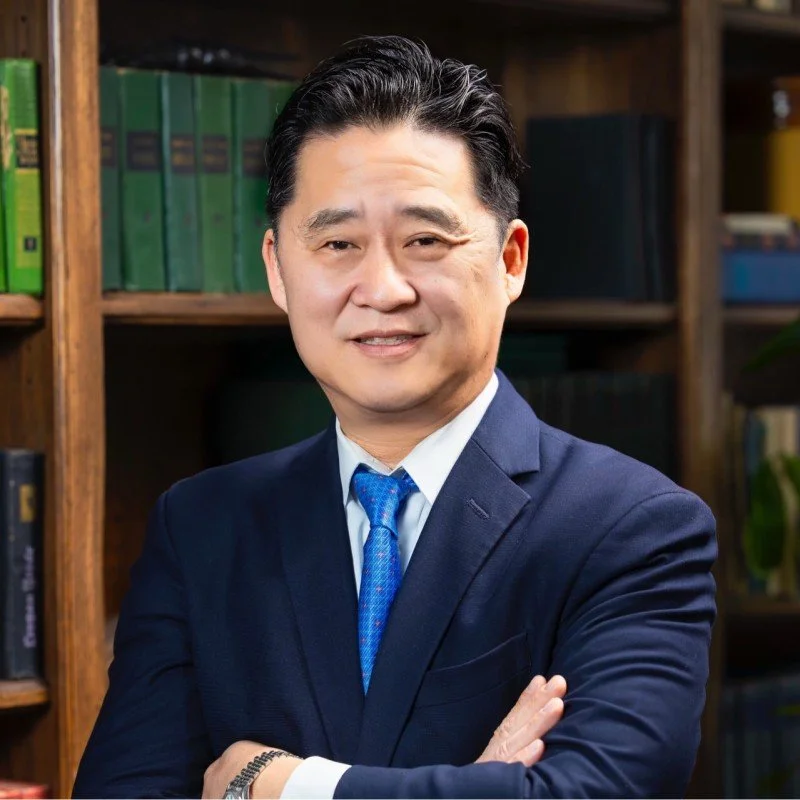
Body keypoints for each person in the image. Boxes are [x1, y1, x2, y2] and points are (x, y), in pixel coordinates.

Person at [72, 35, 718, 799]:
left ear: (510, 260)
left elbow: (594, 793)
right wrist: (476, 786)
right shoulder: (203, 527)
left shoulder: (632, 529)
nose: (382, 289)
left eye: (424, 240)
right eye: (338, 243)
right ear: (278, 269)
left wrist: (282, 785)